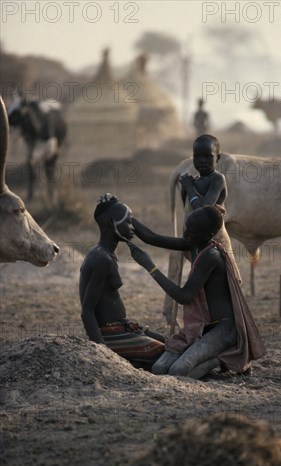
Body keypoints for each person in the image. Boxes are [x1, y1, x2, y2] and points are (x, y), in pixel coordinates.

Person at [130, 205, 266, 379]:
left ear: (208, 236)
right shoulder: (193, 242)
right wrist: (127, 214)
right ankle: (214, 358)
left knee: (178, 371)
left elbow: (183, 296)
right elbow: (151, 238)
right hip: (203, 328)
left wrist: (150, 267)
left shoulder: (211, 256)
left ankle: (223, 358)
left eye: (191, 231)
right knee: (159, 369)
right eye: (186, 228)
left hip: (224, 329)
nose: (185, 234)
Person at [79, 193, 165, 370]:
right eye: (128, 221)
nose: (132, 228)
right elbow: (87, 311)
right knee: (165, 353)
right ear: (112, 223)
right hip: (111, 334)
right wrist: (102, 353)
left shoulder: (105, 254)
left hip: (124, 328)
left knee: (168, 342)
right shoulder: (102, 258)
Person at [179, 133, 242, 282]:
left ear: (218, 158)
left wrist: (189, 188)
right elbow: (188, 212)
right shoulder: (194, 182)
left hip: (216, 241)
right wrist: (187, 188)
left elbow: (203, 210)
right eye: (197, 156)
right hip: (199, 240)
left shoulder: (217, 179)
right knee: (202, 281)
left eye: (208, 157)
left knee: (222, 281)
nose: (202, 161)